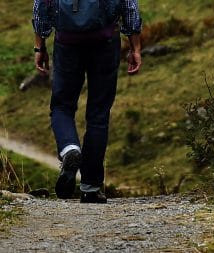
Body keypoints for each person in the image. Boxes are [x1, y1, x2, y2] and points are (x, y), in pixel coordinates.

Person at [32, 0, 142, 203]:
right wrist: (135, 46)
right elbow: (129, 5)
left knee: (61, 106)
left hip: (67, 42)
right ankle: (90, 187)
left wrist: (39, 47)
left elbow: (41, 6)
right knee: (98, 113)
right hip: (105, 41)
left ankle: (70, 148)